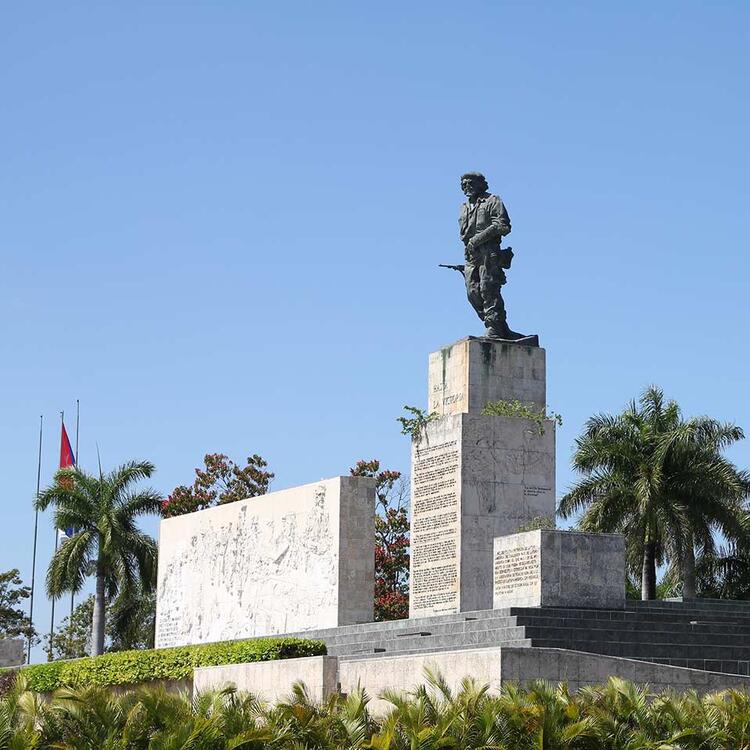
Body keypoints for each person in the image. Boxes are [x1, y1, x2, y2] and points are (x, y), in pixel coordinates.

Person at [459, 172, 523, 339]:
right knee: (472, 292)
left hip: (489, 252)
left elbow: (503, 225)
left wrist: (478, 239)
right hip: (472, 256)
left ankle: (494, 326)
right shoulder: (464, 207)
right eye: (464, 183)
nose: (467, 186)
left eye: (471, 183)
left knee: (489, 289)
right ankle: (499, 325)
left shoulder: (492, 201)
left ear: (481, 184)